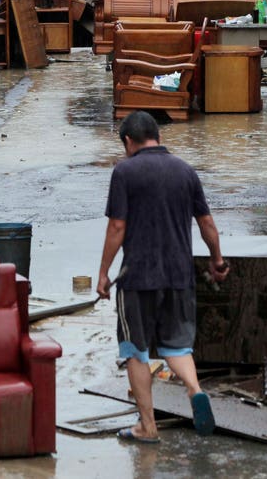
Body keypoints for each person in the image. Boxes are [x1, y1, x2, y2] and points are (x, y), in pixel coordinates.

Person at [97, 111, 230, 444]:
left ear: (129, 141)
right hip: (179, 275)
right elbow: (207, 224)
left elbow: (117, 227)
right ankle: (195, 389)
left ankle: (147, 425)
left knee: (135, 350)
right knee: (177, 346)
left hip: (137, 276)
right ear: (157, 135)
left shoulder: (125, 172)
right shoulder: (185, 171)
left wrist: (102, 273)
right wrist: (217, 260)